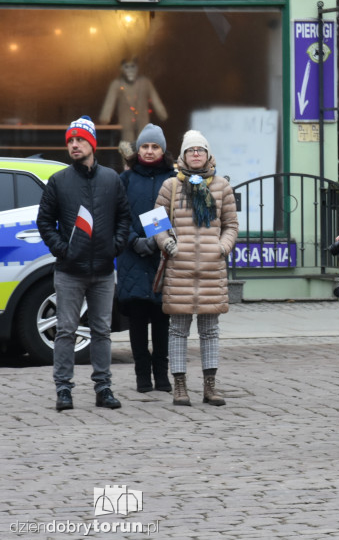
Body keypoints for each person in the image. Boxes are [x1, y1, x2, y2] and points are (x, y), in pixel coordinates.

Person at [37, 115, 131, 411]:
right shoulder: (59, 181)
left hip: (103, 271)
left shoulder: (111, 179)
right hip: (69, 272)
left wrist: (114, 246)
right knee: (65, 330)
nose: (74, 145)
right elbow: (44, 221)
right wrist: (61, 249)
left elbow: (124, 218)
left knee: (102, 331)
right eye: (70, 141)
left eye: (79, 140)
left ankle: (103, 388)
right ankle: (63, 390)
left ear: (92, 144)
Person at [154, 130, 238, 407]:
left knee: (210, 330)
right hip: (180, 269)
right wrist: (167, 244)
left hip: (212, 270)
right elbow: (156, 224)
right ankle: (179, 387)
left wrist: (222, 248)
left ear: (208, 154)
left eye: (200, 150)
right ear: (183, 155)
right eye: (191, 150)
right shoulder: (170, 186)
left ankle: (210, 387)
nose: (196, 154)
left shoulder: (222, 187)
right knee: (178, 330)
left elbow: (231, 226)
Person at [116, 123, 176, 393]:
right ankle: (142, 376)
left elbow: (179, 216)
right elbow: (118, 216)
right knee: (138, 320)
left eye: (155, 147)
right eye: (145, 146)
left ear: (163, 150)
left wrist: (159, 240)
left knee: (162, 319)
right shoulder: (125, 180)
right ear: (138, 149)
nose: (150, 151)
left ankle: (162, 375)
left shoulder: (174, 179)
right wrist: (134, 241)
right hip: (133, 257)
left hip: (163, 257)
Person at [99, 58, 168, 161]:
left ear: (138, 68)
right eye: (127, 67)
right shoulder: (117, 84)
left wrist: (162, 114)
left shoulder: (145, 82)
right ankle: (129, 170)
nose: (130, 70)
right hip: (126, 124)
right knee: (127, 150)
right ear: (121, 68)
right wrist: (105, 117)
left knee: (146, 146)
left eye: (133, 66)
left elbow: (155, 99)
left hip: (143, 123)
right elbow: (110, 102)